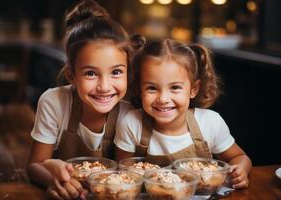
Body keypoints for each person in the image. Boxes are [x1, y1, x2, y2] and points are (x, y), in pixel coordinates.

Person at [27, 0, 139, 199]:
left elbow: (132, 175)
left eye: (116, 72)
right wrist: (56, 180)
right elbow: (35, 165)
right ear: (71, 75)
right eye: (90, 73)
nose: (104, 87)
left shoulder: (130, 111)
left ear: (128, 72)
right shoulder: (55, 102)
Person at [115, 38, 252, 189]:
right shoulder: (132, 124)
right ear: (140, 89)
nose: (163, 99)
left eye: (175, 87)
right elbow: (124, 173)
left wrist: (240, 170)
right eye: (152, 88)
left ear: (193, 89)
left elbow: (239, 157)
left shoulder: (210, 123)